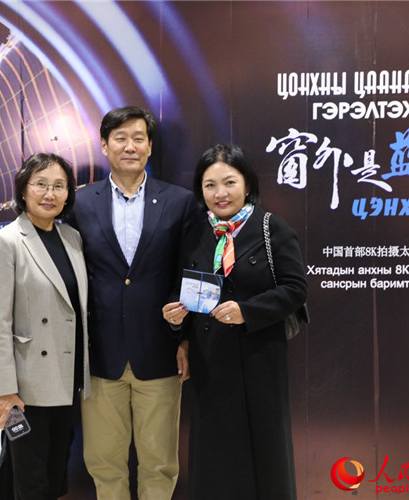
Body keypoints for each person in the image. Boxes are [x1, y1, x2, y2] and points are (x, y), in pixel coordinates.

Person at [65, 106, 201, 499]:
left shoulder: (179, 202)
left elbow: (189, 270)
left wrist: (185, 337)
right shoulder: (79, 203)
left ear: (150, 146)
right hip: (99, 357)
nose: (130, 146)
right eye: (120, 138)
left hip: (159, 352)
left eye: (138, 138)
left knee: (159, 463)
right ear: (104, 145)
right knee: (104, 463)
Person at [162, 144, 307, 499]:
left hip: (260, 361)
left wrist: (247, 311)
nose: (220, 193)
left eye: (229, 182)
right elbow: (183, 290)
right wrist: (177, 322)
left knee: (265, 454)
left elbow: (295, 289)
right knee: (215, 458)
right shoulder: (196, 234)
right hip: (209, 363)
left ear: (247, 184)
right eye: (210, 185)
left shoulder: (272, 228)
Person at [0, 153, 91, 500]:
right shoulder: (6, 242)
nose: (50, 194)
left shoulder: (72, 238)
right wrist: (3, 391)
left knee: (54, 475)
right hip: (26, 389)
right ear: (23, 190)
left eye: (59, 186)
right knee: (28, 480)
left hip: (67, 382)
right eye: (41, 184)